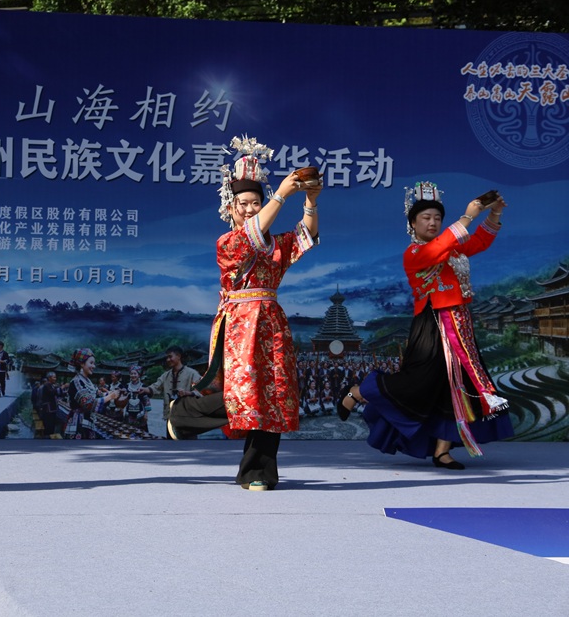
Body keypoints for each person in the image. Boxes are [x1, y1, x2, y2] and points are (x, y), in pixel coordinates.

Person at [169, 135, 320, 490]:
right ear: (231, 208)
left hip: (271, 321)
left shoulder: (276, 244)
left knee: (275, 393)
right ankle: (184, 414)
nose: (251, 209)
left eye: (256, 203)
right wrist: (282, 194)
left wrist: (311, 200)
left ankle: (258, 473)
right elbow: (253, 232)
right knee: (246, 391)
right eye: (244, 204)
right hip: (241, 323)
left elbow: (306, 234)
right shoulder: (229, 243)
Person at [338, 181, 513, 469]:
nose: (433, 223)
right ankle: (358, 392)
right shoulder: (415, 254)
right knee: (417, 383)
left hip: (459, 324)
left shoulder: (451, 250)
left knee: (454, 385)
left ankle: (442, 451)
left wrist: (493, 214)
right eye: (426, 218)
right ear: (412, 224)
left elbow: (478, 242)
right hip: (433, 325)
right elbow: (440, 247)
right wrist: (468, 216)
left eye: (437, 218)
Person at [63, 348, 117, 439]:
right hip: (78, 424)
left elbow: (98, 395)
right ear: (82, 364)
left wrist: (110, 394)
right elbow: (88, 403)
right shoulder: (76, 382)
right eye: (91, 363)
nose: (94, 366)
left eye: (94, 363)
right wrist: (110, 397)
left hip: (88, 421)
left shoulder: (87, 381)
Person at [138, 346, 201, 424]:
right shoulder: (166, 375)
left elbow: (202, 390)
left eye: (170, 357)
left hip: (187, 416)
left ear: (178, 356)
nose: (168, 360)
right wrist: (145, 389)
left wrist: (188, 393)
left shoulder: (192, 373)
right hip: (170, 416)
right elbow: (155, 387)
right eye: (167, 357)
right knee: (170, 435)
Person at [122, 366, 152, 431]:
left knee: (141, 433)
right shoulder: (126, 386)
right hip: (128, 414)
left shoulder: (143, 386)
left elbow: (146, 401)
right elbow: (123, 399)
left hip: (140, 414)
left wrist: (146, 414)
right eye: (131, 373)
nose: (133, 375)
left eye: (135, 373)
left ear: (139, 375)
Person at [37, 371, 62, 438]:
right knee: (49, 426)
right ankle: (47, 438)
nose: (55, 379)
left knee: (51, 425)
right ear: (50, 378)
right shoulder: (47, 385)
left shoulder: (50, 385)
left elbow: (57, 393)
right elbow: (52, 393)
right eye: (54, 377)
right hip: (48, 409)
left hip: (51, 409)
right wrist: (62, 387)